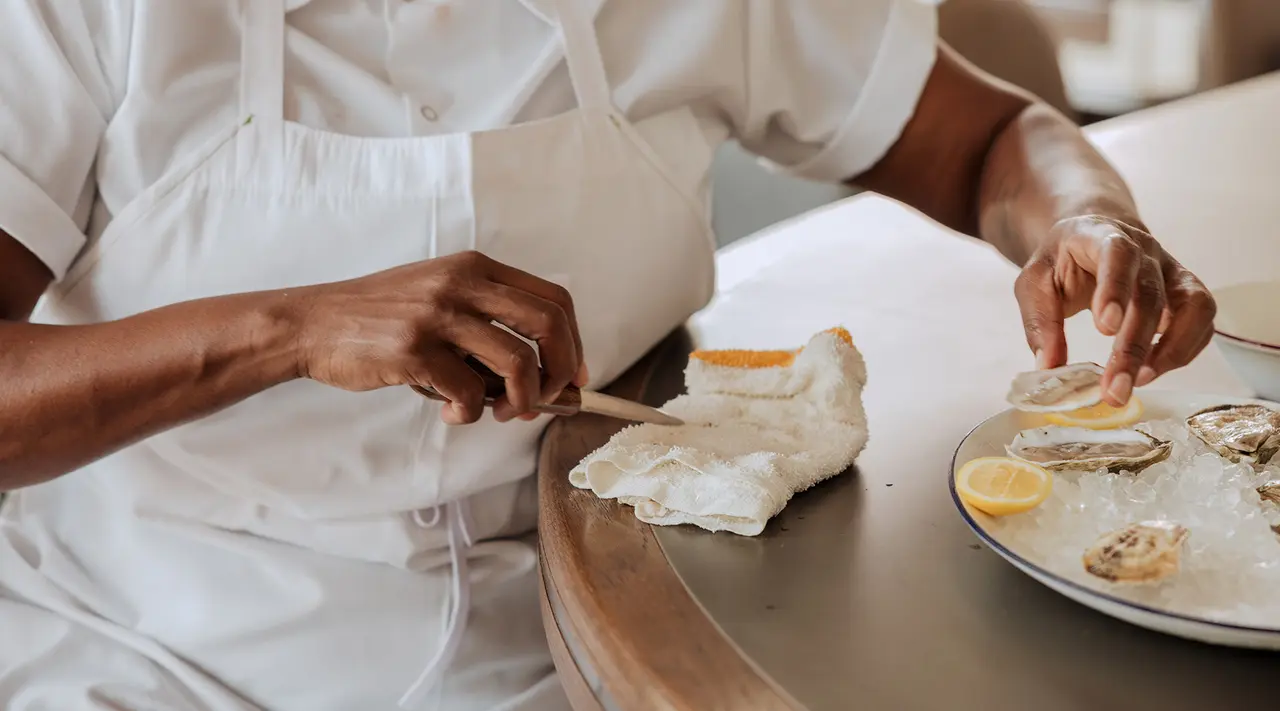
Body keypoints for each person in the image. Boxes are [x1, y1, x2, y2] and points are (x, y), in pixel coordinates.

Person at [0, 0, 1215, 709]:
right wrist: (285, 328)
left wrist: (1086, 222)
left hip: (580, 631)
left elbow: (990, 133)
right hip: (145, 642)